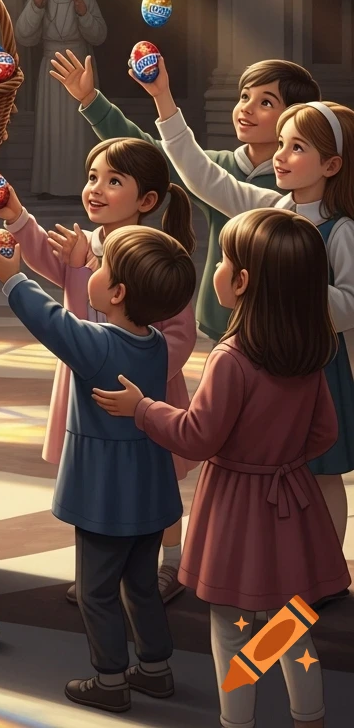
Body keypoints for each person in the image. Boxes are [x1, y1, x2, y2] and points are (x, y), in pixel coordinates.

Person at [94, 208, 350, 728]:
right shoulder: (311, 351)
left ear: (244, 281)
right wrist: (285, 458)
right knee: (291, 625)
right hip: (292, 504)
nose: (215, 268)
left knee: (232, 626)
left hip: (236, 507)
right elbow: (325, 433)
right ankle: (310, 717)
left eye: (225, 259)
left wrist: (143, 409)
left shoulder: (231, 357)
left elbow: (197, 435)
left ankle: (238, 721)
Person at [133, 55, 354, 581]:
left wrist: (293, 295)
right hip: (267, 363)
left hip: (320, 365)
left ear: (331, 165)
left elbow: (349, 300)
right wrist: (164, 98)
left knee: (322, 474)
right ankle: (277, 569)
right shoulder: (273, 210)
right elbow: (204, 177)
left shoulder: (342, 231)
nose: (280, 156)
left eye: (296, 147)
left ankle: (322, 573)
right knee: (268, 467)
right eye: (281, 144)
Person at [0, 225, 195, 713]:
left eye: (100, 268)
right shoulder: (157, 345)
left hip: (105, 497)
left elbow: (52, 321)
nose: (90, 272)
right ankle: (156, 670)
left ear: (117, 294)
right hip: (150, 493)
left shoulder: (97, 346)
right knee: (141, 585)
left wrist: (13, 278)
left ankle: (111, 678)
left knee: (96, 592)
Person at [0, 138, 197, 605]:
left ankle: (171, 562)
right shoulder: (90, 243)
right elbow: (44, 255)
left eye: (113, 180)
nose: (96, 188)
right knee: (99, 481)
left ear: (147, 201)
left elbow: (175, 333)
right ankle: (100, 572)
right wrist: (15, 216)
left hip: (143, 392)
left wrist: (149, 373)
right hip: (91, 391)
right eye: (92, 176)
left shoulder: (157, 253)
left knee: (158, 480)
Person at [51, 50, 321, 340]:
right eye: (244, 97)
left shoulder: (302, 186)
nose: (248, 108)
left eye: (266, 102)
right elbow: (149, 154)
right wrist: (92, 101)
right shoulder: (214, 166)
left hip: (281, 320)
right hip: (221, 315)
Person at [14, 0, 106, 198]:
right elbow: (22, 34)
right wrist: (35, 6)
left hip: (78, 65)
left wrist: (84, 14)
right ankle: (49, 186)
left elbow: (99, 35)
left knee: (79, 128)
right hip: (52, 67)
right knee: (51, 128)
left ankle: (80, 185)